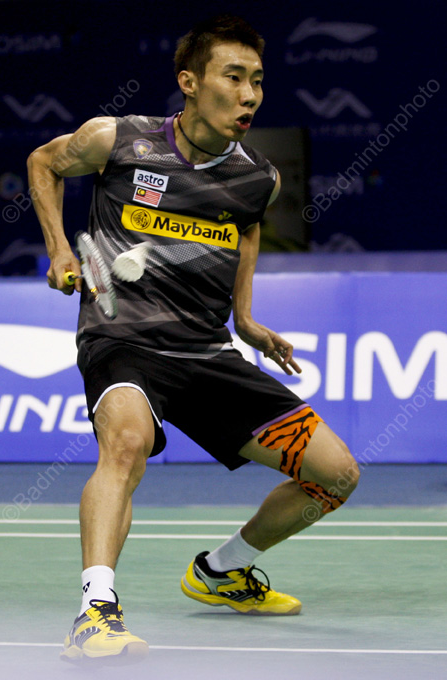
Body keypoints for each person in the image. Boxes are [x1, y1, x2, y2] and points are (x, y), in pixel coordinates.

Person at [28, 14, 359, 666]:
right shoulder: (117, 140)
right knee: (125, 444)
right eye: (233, 78)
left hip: (206, 352)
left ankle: (221, 570)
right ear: (189, 81)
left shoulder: (259, 177)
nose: (249, 95)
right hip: (122, 336)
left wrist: (245, 317)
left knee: (337, 475)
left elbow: (247, 228)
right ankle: (95, 613)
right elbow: (43, 162)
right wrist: (60, 249)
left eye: (257, 81)